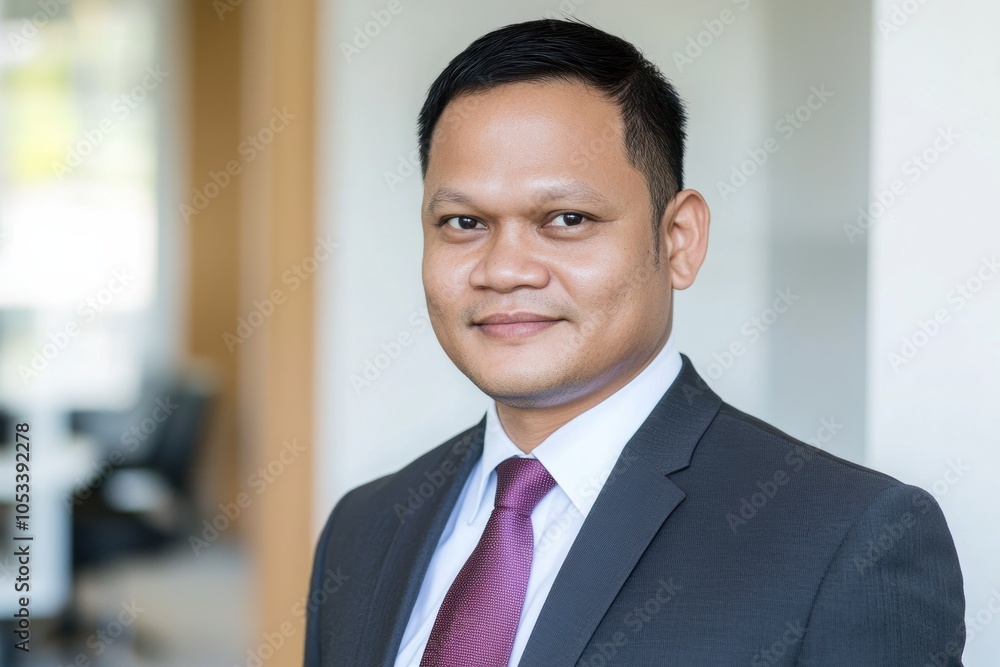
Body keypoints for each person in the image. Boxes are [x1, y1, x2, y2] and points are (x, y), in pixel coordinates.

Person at [304, 18, 965, 667]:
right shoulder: (364, 528)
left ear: (678, 240)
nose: (504, 270)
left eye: (567, 219)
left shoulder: (847, 541)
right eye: (463, 222)